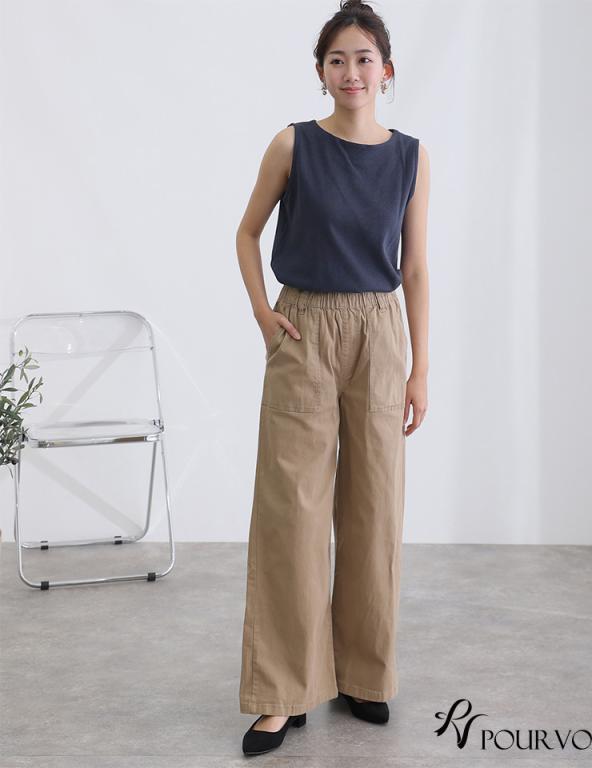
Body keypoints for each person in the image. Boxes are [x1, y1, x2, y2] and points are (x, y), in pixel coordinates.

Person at [235, 0, 430, 756]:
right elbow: (247, 232)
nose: (352, 72)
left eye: (364, 59)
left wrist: (419, 367)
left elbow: (415, 267)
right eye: (337, 60)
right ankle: (283, 692)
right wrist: (264, 314)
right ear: (321, 72)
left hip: (380, 331)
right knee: (293, 510)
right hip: (304, 326)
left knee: (374, 506)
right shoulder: (294, 144)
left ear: (387, 71)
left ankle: (364, 674)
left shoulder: (410, 157)